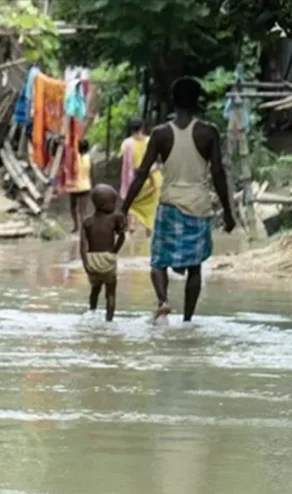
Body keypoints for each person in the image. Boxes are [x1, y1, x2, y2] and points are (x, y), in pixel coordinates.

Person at [119, 77, 236, 322]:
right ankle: (188, 320)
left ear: (173, 100)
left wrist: (123, 208)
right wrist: (227, 211)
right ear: (197, 101)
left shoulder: (161, 134)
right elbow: (217, 173)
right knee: (194, 267)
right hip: (198, 206)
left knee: (159, 261)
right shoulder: (208, 132)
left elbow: (141, 174)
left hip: (169, 205)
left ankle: (162, 301)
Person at [80, 184, 127, 322]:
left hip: (91, 260)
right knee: (110, 293)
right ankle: (109, 320)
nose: (115, 205)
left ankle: (92, 312)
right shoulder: (114, 218)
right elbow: (122, 237)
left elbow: (83, 246)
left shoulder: (87, 221)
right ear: (104, 204)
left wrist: (85, 263)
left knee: (95, 289)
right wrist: (114, 252)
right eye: (113, 202)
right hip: (107, 258)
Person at [119, 117, 162, 235]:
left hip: (135, 179)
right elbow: (157, 158)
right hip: (153, 178)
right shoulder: (150, 140)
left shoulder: (127, 143)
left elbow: (123, 160)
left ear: (131, 129)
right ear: (142, 128)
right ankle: (149, 231)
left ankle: (132, 225)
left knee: (133, 204)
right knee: (152, 207)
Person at [67, 139, 93, 233]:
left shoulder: (73, 158)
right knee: (83, 210)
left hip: (74, 186)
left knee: (73, 207)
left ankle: (76, 226)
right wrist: (92, 185)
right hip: (86, 186)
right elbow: (91, 173)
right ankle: (83, 228)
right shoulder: (89, 158)